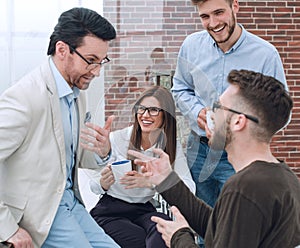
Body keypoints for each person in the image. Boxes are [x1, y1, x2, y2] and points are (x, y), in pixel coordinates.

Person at [129, 69, 300, 248]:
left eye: (218, 108)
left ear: (238, 122)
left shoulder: (245, 188)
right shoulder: (285, 178)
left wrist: (179, 238)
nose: (209, 114)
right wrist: (166, 180)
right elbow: (220, 228)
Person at [0, 7, 120, 248]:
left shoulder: (76, 93)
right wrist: (7, 228)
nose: (97, 71)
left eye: (102, 61)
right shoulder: (25, 98)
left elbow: (71, 156)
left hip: (70, 202)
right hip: (40, 212)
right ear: (62, 50)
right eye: (91, 61)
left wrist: (102, 150)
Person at [171, 0, 289, 212]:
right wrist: (196, 111)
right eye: (205, 16)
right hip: (199, 150)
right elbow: (180, 88)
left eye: (219, 12)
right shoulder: (190, 46)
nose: (213, 23)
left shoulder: (265, 54)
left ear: (235, 6)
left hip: (240, 154)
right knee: (202, 221)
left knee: (239, 219)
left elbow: (281, 112)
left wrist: (242, 128)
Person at [84, 86, 195, 248]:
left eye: (153, 110)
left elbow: (189, 189)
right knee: (139, 240)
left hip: (143, 209)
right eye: (141, 109)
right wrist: (103, 183)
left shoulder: (170, 147)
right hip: (110, 211)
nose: (145, 115)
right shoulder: (117, 139)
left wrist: (155, 183)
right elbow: (93, 185)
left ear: (166, 115)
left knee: (165, 229)